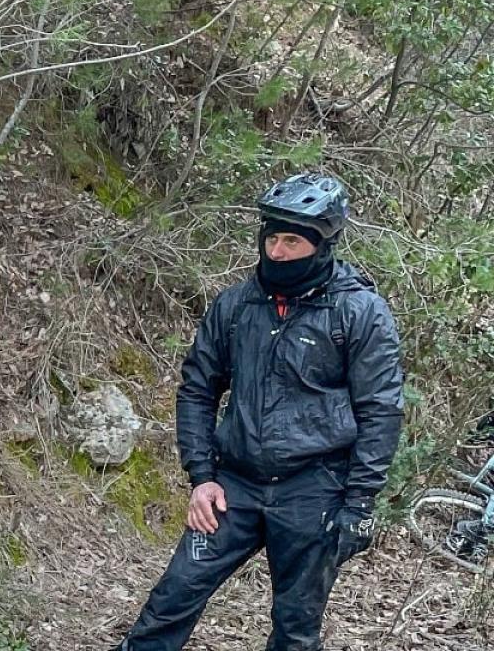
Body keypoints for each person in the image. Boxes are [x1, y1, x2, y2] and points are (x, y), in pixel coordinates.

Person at [113, 172, 405, 650]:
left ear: (322, 242)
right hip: (235, 486)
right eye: (272, 237)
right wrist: (201, 476)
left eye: (293, 240)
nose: (278, 252)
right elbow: (198, 390)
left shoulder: (360, 312)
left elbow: (381, 412)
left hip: (316, 490)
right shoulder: (236, 304)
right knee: (173, 596)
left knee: (295, 627)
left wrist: (358, 504)